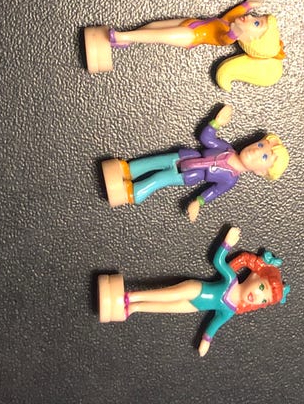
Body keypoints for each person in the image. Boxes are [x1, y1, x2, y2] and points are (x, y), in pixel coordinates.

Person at [98, 226, 290, 356]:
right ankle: (129, 296)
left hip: (193, 306)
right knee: (167, 294)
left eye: (263, 300)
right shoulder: (231, 279)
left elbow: (215, 325)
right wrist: (227, 243)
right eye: (262, 288)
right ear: (255, 276)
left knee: (164, 308)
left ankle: (133, 308)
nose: (257, 296)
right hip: (195, 290)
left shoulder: (231, 310)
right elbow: (218, 261)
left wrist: (206, 340)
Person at [101, 104, 289, 222]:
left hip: (189, 176)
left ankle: (133, 193)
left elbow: (214, 191)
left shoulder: (230, 179)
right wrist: (216, 123)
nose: (256, 151)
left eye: (264, 157)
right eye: (260, 145)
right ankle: (126, 169)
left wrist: (198, 202)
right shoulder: (226, 148)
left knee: (159, 179)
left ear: (260, 172)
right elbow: (206, 138)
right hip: (183, 156)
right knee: (153, 162)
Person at [84, 0, 285, 91]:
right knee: (153, 27)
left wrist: (235, 33)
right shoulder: (229, 21)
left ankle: (121, 37)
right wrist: (247, 5)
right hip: (190, 23)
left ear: (251, 39)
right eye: (257, 17)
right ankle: (124, 40)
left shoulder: (229, 37)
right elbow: (236, 13)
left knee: (157, 36)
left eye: (256, 23)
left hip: (191, 36)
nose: (251, 18)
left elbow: (225, 39)